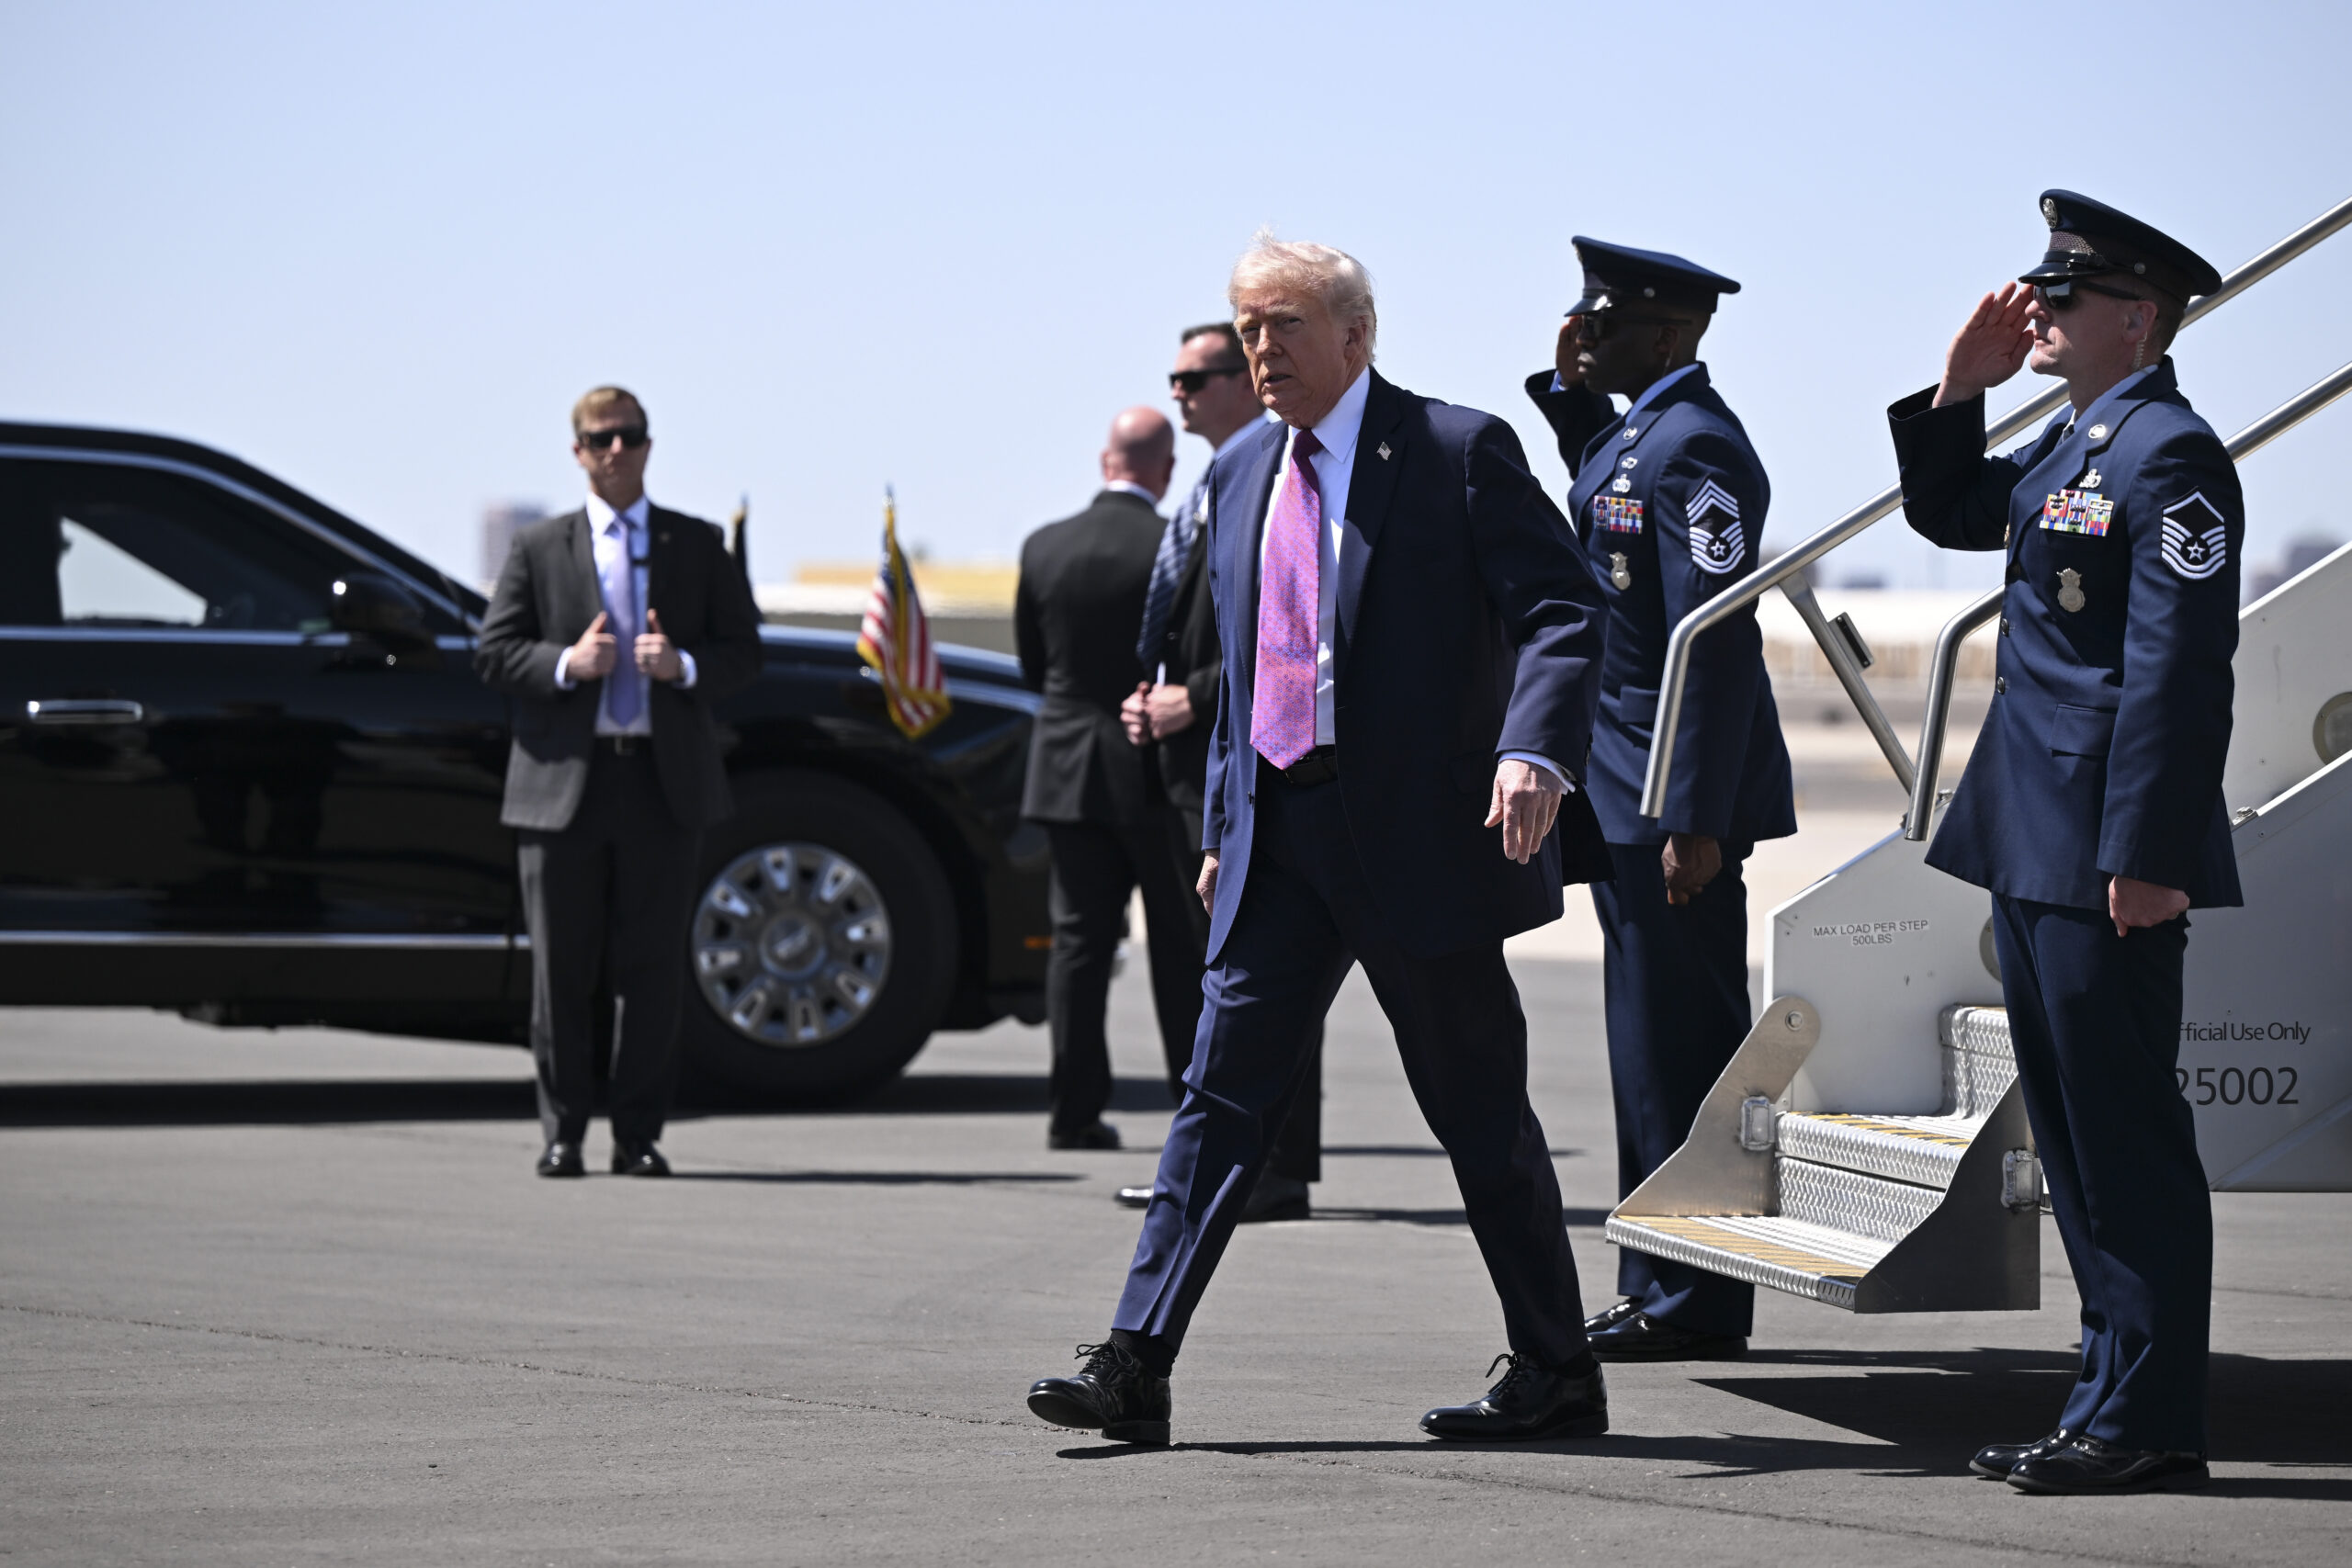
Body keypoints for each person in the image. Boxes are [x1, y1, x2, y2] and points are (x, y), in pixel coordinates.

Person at [1025, 233, 1614, 1446]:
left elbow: (1562, 609)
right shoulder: (1241, 469)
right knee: (1217, 1098)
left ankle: (1559, 1367)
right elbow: (1249, 673)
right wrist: (1226, 823)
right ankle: (1137, 1358)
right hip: (1279, 839)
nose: (1262, 349)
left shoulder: (1455, 449)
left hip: (1418, 842)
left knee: (1477, 1110)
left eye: (1285, 324)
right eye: (1248, 327)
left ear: (1357, 335)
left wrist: (1534, 748)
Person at [1890, 191, 2237, 1495]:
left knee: (2127, 1133)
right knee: (2080, 1141)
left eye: (2069, 296)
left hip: (2109, 851)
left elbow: (2177, 673)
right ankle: (2106, 1399)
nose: (2043, 308)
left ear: (2137, 317)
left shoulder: (2171, 456)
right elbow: (1951, 514)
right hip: (2036, 839)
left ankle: (2149, 1414)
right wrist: (1957, 387)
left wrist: (2149, 852)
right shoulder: (2077, 440)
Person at [1523, 240, 1795, 1362]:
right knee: (1645, 1055)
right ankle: (1655, 1284)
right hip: (1624, 783)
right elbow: (1607, 513)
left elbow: (1712, 641)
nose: (1589, 334)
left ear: (1672, 336)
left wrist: (1695, 815)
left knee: (1683, 1055)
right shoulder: (1645, 434)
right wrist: (1568, 396)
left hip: (1668, 800)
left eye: (1612, 324)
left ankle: (1696, 1298)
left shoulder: (1702, 453)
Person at [475, 386, 763, 1178]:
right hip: (564, 785)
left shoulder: (696, 545)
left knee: (653, 970)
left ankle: (638, 1134)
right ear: (577, 452)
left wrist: (684, 666)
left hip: (661, 786)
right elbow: (494, 653)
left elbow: (746, 652)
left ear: (648, 446)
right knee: (562, 970)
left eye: (630, 437)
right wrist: (570, 662)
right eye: (600, 438)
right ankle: (562, 1132)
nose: (616, 450)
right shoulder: (539, 547)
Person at [1114, 322, 1321, 1223]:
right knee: (1204, 979)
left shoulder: (1284, 471)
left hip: (1244, 762)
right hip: (1188, 771)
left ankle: (1270, 1169)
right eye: (1173, 378)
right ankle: (1213, 1163)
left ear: (1244, 382)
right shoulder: (1220, 479)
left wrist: (1191, 699)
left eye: (1196, 377)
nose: (1180, 393)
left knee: (1262, 979)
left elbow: (1287, 637)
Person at [1014, 407, 1209, 1151]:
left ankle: (1072, 1109)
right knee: (1177, 946)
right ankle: (1190, 1110)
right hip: (1150, 767)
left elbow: (1036, 667)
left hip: (1064, 769)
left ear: (1105, 463)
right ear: (1164, 471)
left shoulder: (1043, 546)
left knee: (1077, 946)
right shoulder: (1174, 545)